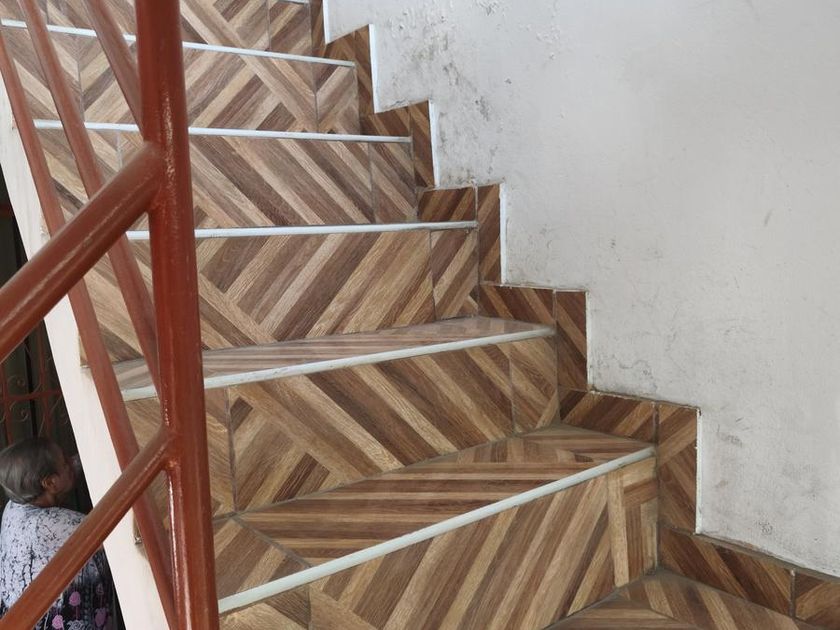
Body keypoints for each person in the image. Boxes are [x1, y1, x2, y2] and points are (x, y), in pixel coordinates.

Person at [0, 438, 114, 629]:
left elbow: (72, 469)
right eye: (65, 462)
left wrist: (99, 449)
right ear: (50, 483)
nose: (70, 463)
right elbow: (119, 532)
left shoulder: (15, 505)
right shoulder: (50, 525)